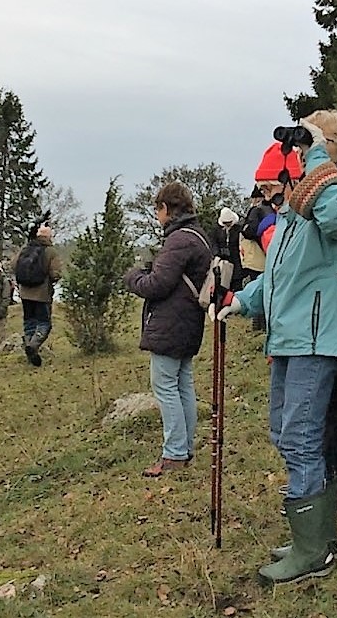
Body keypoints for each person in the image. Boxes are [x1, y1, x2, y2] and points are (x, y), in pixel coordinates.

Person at [212, 113, 337, 585]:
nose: (295, 153)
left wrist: (318, 151)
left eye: (304, 145)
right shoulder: (294, 212)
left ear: (326, 149)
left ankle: (312, 550)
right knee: (285, 432)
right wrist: (238, 300)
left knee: (301, 437)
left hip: (319, 337)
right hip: (291, 335)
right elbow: (280, 278)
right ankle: (318, 534)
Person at [124, 181, 212, 477]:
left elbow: (157, 284)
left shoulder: (178, 240)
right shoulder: (199, 236)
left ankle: (174, 453)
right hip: (189, 322)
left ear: (166, 209)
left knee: (165, 387)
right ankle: (184, 449)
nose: (157, 216)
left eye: (157, 210)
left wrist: (134, 276)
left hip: (171, 324)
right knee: (183, 384)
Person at [14, 222, 62, 367]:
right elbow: (55, 273)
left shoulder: (26, 248)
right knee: (44, 323)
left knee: (29, 322)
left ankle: (29, 349)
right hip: (42, 294)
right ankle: (33, 346)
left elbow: (13, 264)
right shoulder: (50, 251)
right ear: (49, 236)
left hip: (24, 293)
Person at [210, 207, 244, 291]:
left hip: (236, 261)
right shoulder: (216, 230)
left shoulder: (238, 229)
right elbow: (214, 243)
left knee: (237, 286)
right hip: (223, 262)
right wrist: (217, 255)